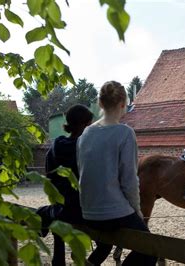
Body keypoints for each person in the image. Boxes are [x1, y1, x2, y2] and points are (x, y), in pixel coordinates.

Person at [77, 81, 156, 266]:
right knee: (151, 249)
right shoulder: (125, 133)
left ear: (100, 103)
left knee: (104, 246)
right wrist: (136, 211)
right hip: (113, 213)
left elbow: (83, 172)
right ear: (123, 104)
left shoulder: (85, 134)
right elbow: (129, 180)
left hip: (88, 212)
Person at [44, 104, 93, 266]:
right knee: (106, 242)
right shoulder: (86, 149)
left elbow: (49, 178)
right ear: (84, 124)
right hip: (81, 210)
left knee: (58, 251)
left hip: (59, 208)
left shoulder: (53, 148)